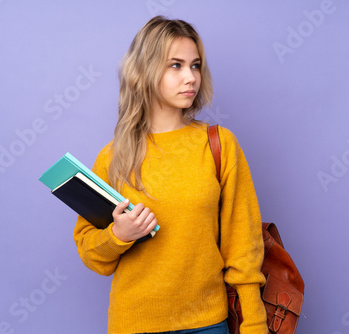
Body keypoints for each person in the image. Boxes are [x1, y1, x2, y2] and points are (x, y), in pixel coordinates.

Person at [73, 16, 268, 334]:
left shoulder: (218, 145)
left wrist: (255, 323)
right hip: (134, 324)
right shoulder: (113, 158)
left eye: (195, 65)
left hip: (207, 323)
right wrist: (118, 236)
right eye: (175, 65)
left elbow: (243, 244)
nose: (190, 77)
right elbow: (92, 256)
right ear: (145, 71)